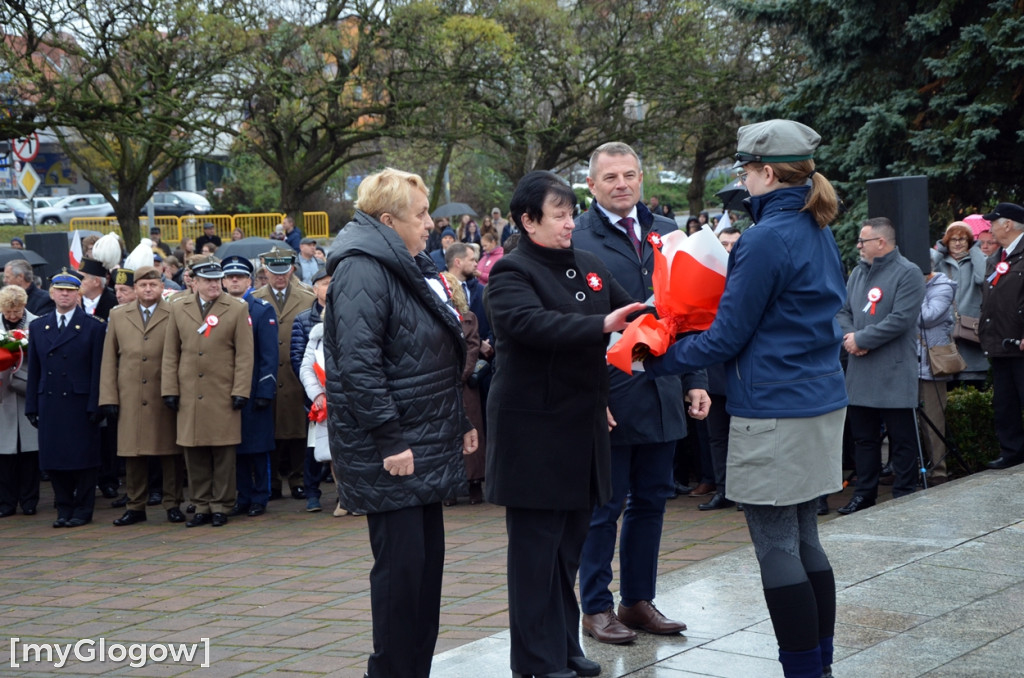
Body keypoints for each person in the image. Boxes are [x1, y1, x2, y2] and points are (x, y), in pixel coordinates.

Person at [645, 120, 848, 678]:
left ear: (764, 172)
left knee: (776, 547)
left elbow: (728, 337)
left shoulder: (764, 237)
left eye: (745, 171)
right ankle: (820, 667)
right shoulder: (814, 225)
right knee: (805, 537)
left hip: (775, 407)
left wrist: (656, 360)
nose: (743, 179)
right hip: (819, 400)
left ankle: (804, 672)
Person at [486, 171, 645, 678]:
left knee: (567, 549)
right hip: (534, 433)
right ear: (527, 220)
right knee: (535, 553)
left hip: (583, 428)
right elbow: (532, 326)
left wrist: (663, 323)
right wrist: (602, 325)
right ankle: (535, 661)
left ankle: (562, 645)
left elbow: (632, 314)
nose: (570, 223)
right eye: (559, 215)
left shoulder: (589, 264)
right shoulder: (511, 271)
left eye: (572, 213)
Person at [324, 168, 478, 678]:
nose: (430, 223)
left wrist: (456, 421)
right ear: (387, 221)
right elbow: (358, 365)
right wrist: (390, 439)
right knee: (400, 577)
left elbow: (422, 353)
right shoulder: (363, 270)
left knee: (424, 573)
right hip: (396, 451)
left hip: (424, 442)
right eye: (420, 215)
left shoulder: (402, 263)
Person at [572, 142, 708, 646]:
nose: (622, 184)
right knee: (605, 505)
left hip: (664, 386)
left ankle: (636, 601)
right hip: (610, 392)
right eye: (610, 177)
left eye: (630, 174)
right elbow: (578, 327)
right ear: (592, 185)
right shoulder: (578, 238)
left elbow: (691, 314)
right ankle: (597, 606)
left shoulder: (668, 233)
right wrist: (590, 394)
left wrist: (696, 382)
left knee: (653, 500)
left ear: (641, 177)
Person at [837, 217, 926, 514]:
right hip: (860, 369)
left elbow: (901, 319)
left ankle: (905, 492)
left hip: (892, 369)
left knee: (901, 438)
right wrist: (850, 336)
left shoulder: (908, 273)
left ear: (881, 243)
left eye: (863, 241)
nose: (858, 246)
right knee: (863, 438)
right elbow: (843, 310)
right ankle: (865, 493)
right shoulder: (858, 273)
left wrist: (861, 339)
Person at [161, 256, 254, 527]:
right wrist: (170, 389)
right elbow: (170, 352)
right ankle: (201, 504)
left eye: (217, 280)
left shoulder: (237, 307)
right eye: (208, 280)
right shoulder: (178, 308)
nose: (215, 285)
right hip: (189, 393)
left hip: (222, 392)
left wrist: (241, 391)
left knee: (223, 454)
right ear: (195, 282)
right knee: (194, 452)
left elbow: (245, 355)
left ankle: (221, 506)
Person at [99, 266, 187, 526]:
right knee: (132, 453)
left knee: (170, 453)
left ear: (162, 287)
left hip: (165, 393)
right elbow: (109, 360)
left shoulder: (175, 313)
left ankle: (172, 503)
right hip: (130, 396)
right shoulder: (118, 315)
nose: (148, 289)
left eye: (153, 285)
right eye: (143, 285)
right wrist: (108, 398)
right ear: (134, 289)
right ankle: (135, 505)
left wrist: (177, 391)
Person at [26, 269, 107, 527]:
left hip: (79, 402)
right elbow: (34, 370)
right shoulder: (38, 326)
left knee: (83, 459)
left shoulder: (93, 327)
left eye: (70, 291)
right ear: (51, 293)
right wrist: (32, 405)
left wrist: (97, 404)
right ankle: (64, 508)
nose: (64, 295)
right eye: (59, 290)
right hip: (50, 401)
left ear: (78, 294)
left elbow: (98, 370)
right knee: (55, 458)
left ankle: (83, 510)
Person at [254, 246, 316, 501]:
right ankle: (274, 481)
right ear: (265, 271)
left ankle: (298, 478)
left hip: (295, 373)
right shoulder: (255, 298)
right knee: (271, 430)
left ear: (292, 269)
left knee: (298, 430)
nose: (279, 277)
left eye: (284, 272)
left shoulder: (306, 297)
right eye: (273, 272)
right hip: (267, 373)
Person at [221, 255, 278, 518]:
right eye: (230, 277)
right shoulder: (216, 311)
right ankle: (242, 496)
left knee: (257, 449)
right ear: (222, 281)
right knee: (236, 450)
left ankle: (259, 496)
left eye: (240, 277)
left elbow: (269, 356)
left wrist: (266, 390)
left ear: (249, 281)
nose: (235, 281)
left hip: (255, 390)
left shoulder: (261, 310)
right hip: (225, 392)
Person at [978, 202, 1024, 469]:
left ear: (1008, 224)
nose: (990, 227)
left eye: (994, 222)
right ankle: (1012, 452)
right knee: (1004, 403)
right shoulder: (997, 258)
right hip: (999, 341)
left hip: (1020, 342)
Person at [929, 221, 989, 387]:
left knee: (973, 381)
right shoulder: (939, 260)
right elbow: (924, 271)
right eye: (953, 239)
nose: (957, 243)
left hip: (970, 330)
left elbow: (981, 278)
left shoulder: (978, 259)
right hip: (943, 330)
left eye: (962, 239)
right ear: (946, 241)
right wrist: (940, 250)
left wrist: (976, 249)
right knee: (946, 379)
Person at [0, 285, 40, 517]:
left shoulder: (36, 324)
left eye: (16, 311)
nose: (13, 316)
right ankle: (6, 502)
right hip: (3, 395)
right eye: (8, 312)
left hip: (26, 391)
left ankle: (29, 500)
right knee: (4, 455)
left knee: (29, 453)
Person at [916, 269, 956, 485]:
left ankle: (938, 470)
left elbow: (928, 316)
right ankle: (908, 467)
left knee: (932, 420)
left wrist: (914, 290)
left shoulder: (943, 286)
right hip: (907, 362)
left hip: (931, 364)